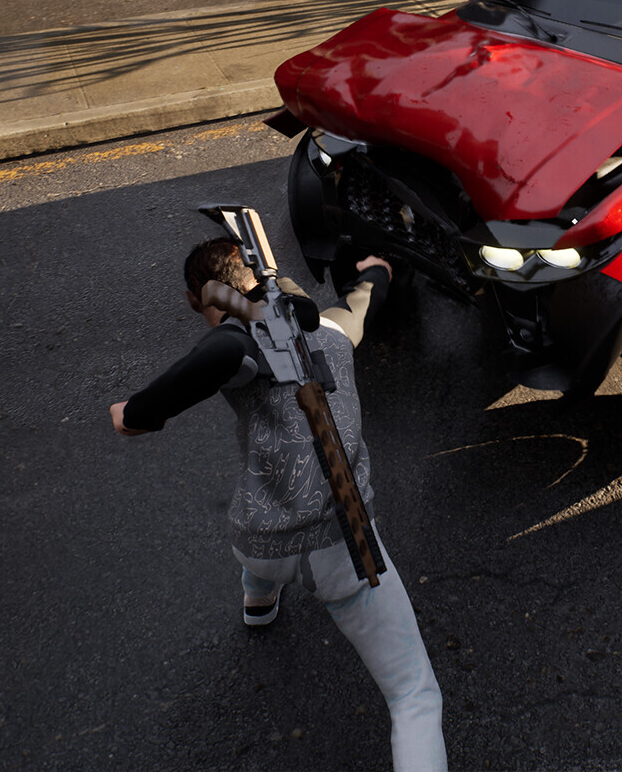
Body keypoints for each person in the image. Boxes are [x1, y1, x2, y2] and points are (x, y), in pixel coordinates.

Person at [108, 240, 446, 772]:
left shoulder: (234, 347)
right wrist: (375, 270)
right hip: (343, 548)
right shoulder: (330, 329)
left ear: (194, 299)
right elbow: (364, 297)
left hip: (260, 541)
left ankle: (258, 602)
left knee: (264, 540)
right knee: (413, 694)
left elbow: (197, 371)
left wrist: (136, 411)